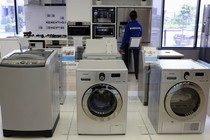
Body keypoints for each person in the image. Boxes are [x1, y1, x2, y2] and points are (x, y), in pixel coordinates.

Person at [119, 10, 143, 80]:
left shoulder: (128, 25)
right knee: (136, 60)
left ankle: (126, 76)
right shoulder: (140, 25)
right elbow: (141, 34)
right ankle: (137, 76)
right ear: (136, 16)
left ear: (130, 17)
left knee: (127, 60)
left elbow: (125, 37)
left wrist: (121, 47)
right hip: (136, 43)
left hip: (128, 44)